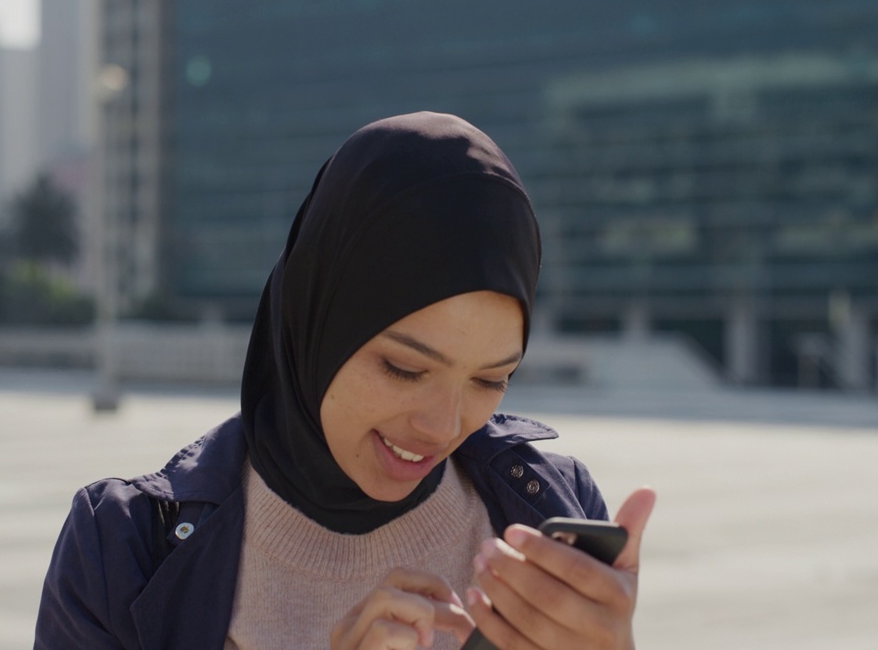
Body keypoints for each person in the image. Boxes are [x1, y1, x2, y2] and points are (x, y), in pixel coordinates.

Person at [35, 112, 656, 649]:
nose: (444, 426)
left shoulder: (549, 508)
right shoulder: (126, 550)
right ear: (314, 325)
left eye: (491, 379)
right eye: (404, 368)